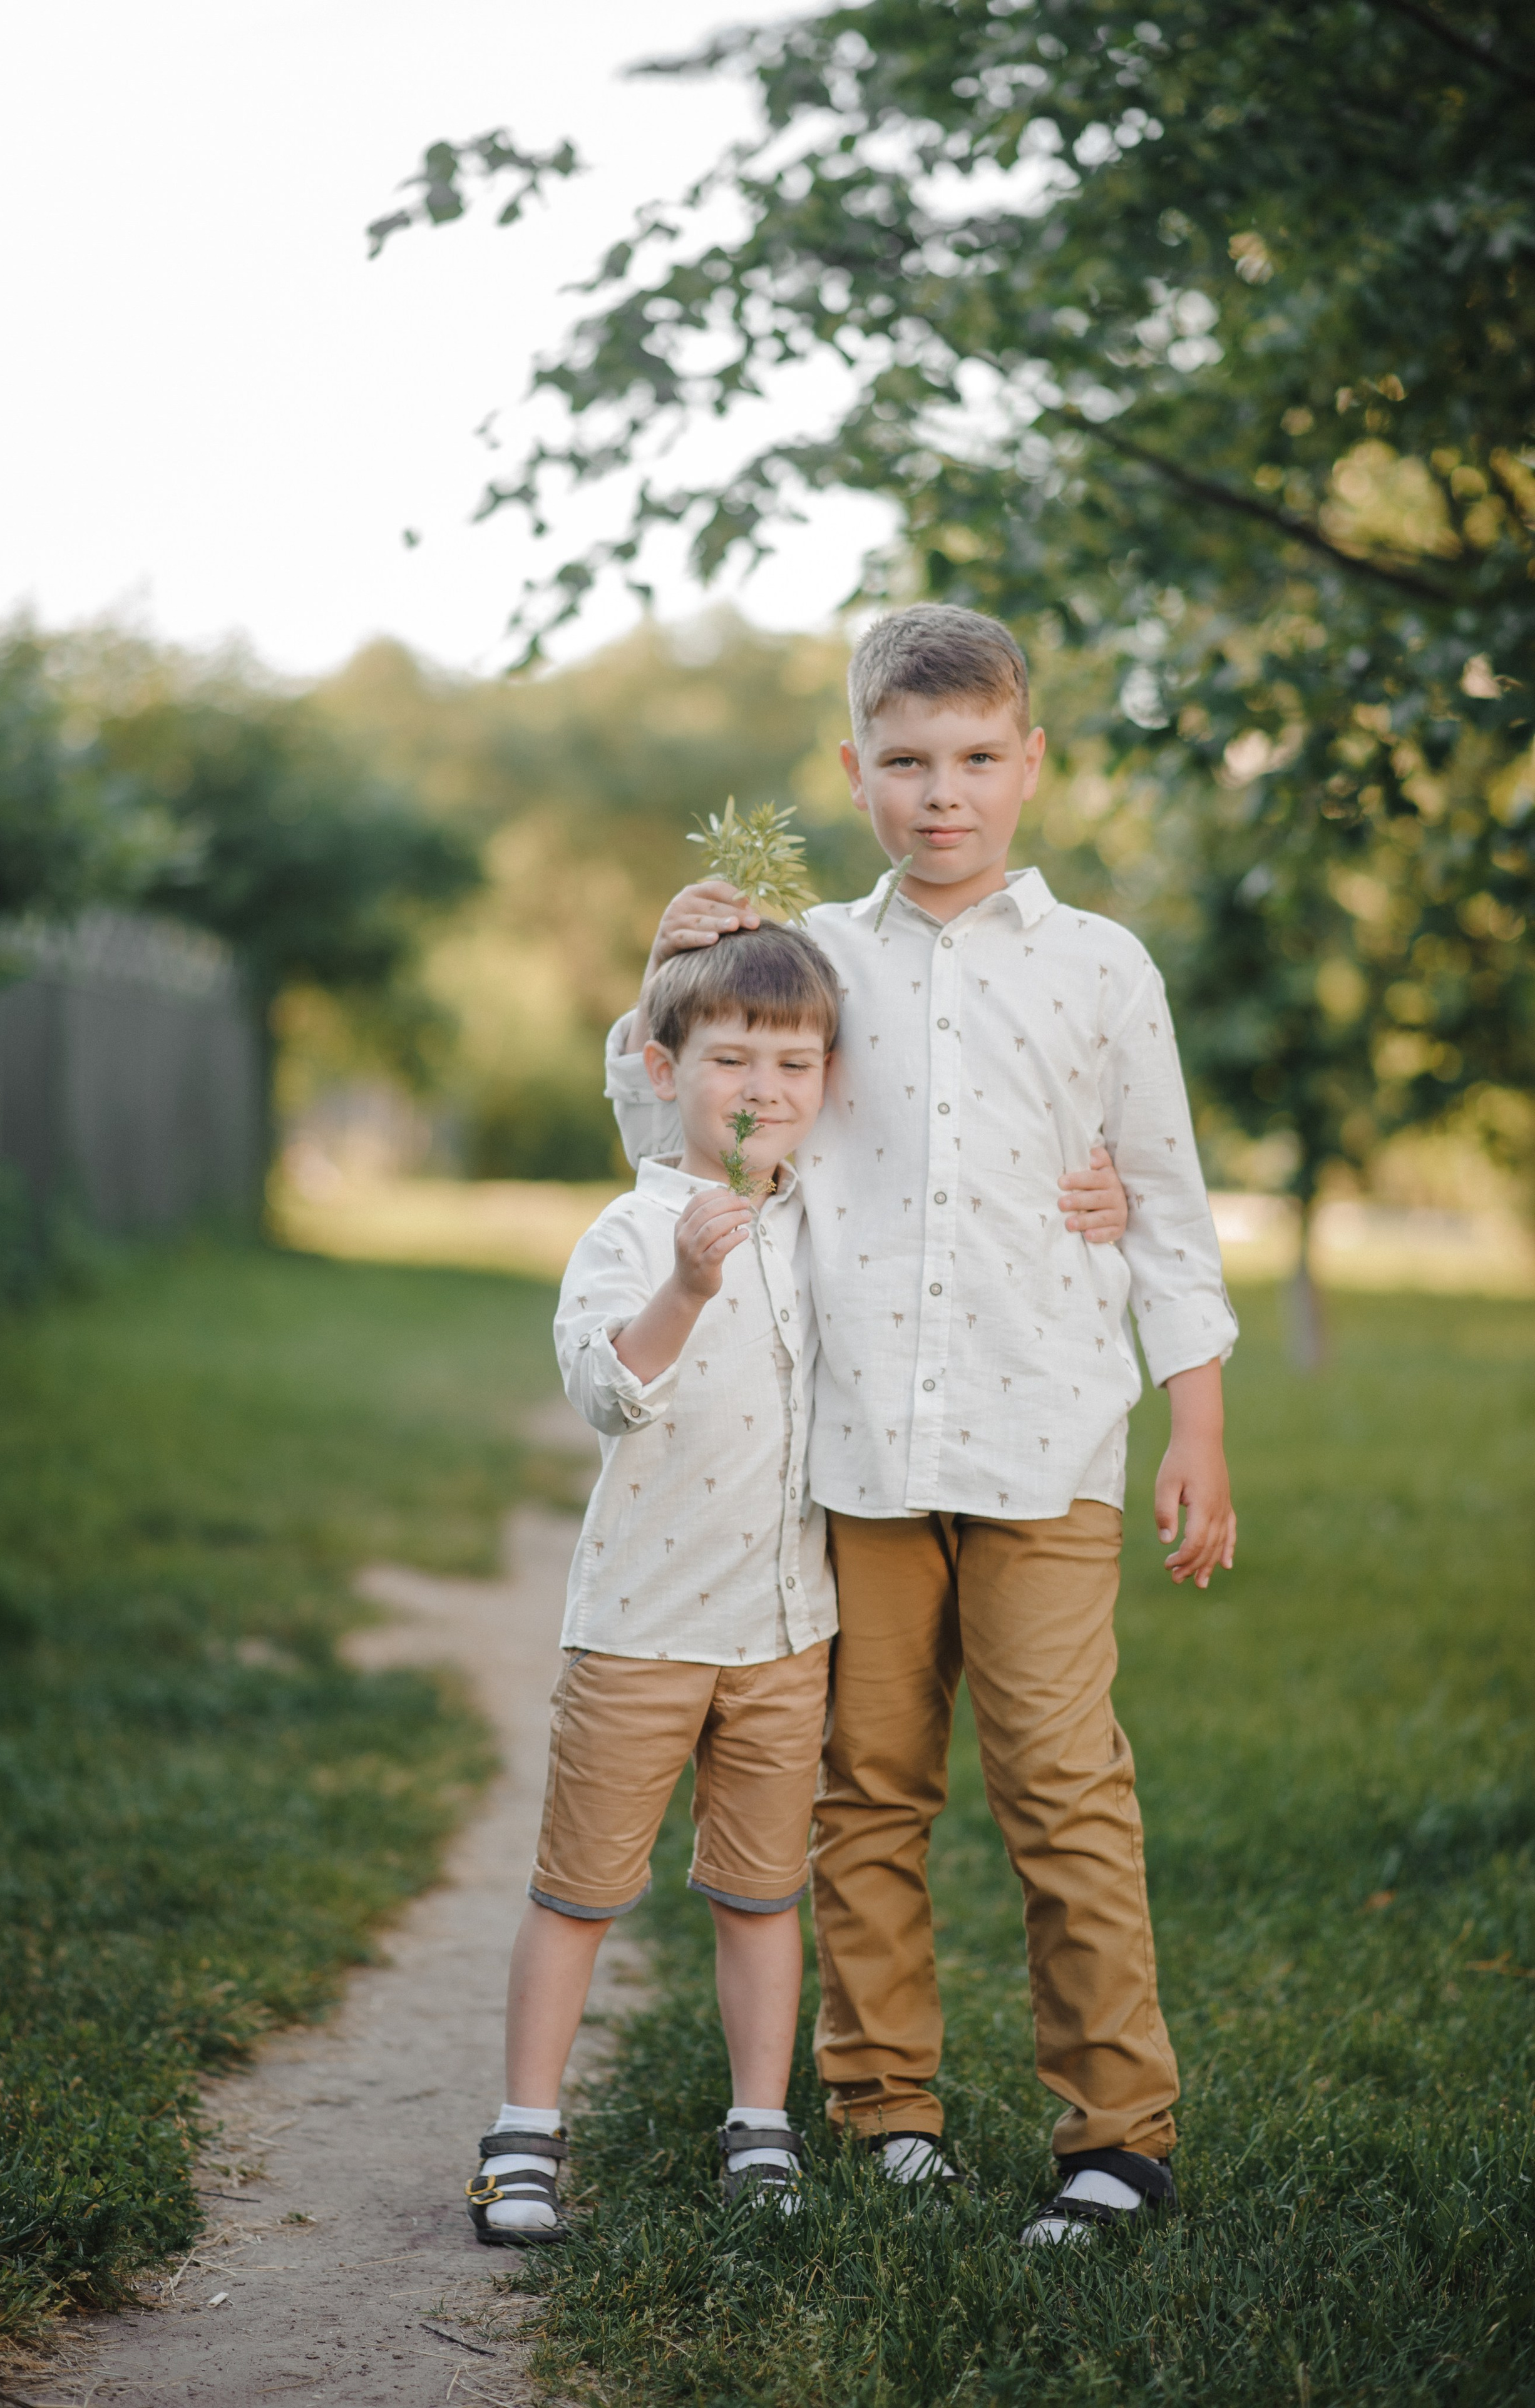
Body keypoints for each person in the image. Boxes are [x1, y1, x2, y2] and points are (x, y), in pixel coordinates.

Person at [605, 603, 1237, 2245]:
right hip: (861, 1457)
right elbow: (697, 1126)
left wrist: (1200, 1429)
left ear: (1030, 763)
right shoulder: (813, 955)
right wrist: (661, 980)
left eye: (973, 760)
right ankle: (886, 2109)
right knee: (866, 1789)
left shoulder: (1101, 967)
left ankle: (1118, 2137)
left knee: (1064, 1782)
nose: (940, 794)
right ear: (854, 768)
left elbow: (1163, 1209)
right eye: (904, 763)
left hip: (1049, 1453)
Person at [468, 920, 845, 2244]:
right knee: (580, 1888)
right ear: (663, 1069)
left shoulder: (819, 1226)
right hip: (641, 1630)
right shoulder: (632, 1231)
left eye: (793, 1062)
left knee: (760, 1892)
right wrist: (686, 1285)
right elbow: (608, 1391)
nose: (762, 1087)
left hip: (786, 1633)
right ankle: (523, 2131)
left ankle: (760, 2124)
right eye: (731, 1057)